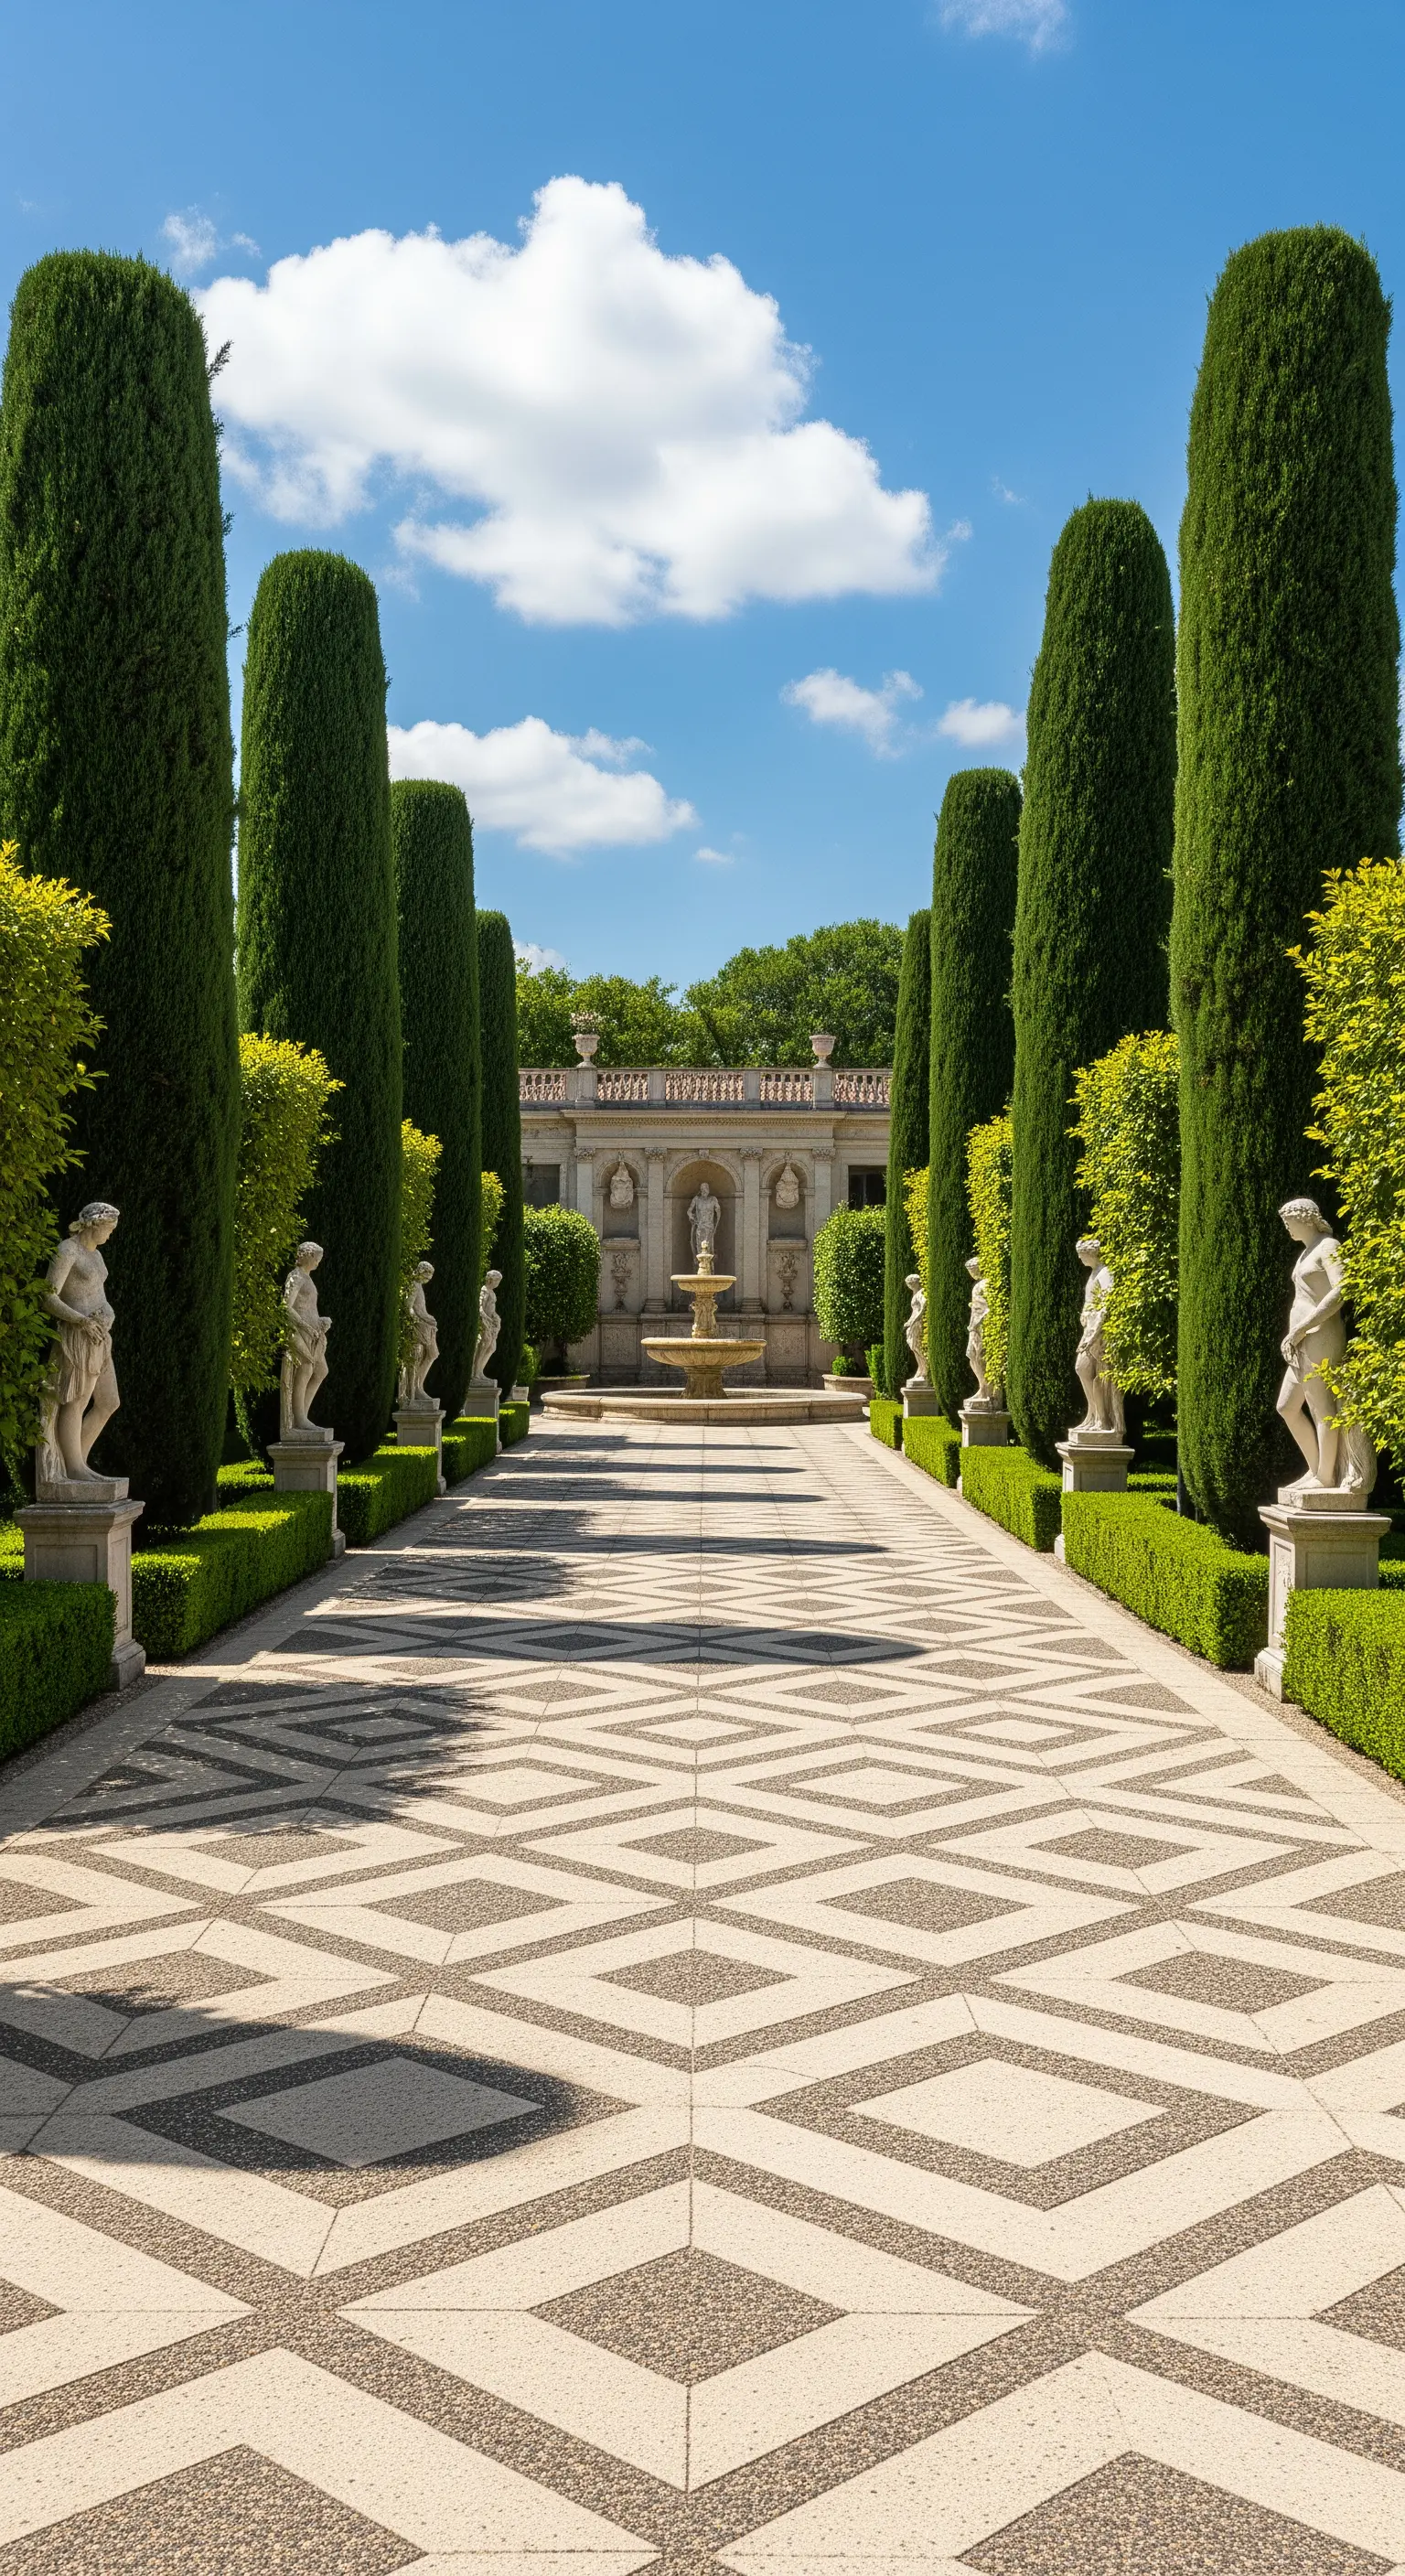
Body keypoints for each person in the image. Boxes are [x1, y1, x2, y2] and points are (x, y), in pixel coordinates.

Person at [1274, 1197, 1375, 1494]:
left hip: (1321, 1334)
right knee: (1287, 1407)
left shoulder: (1329, 1247)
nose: (1287, 1227)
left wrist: (1303, 1327)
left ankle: (1325, 1477)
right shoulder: (1306, 1252)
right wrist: (1294, 1334)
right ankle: (1317, 1469)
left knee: (1321, 1408)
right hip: (1302, 1339)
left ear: (1305, 1218)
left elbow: (1341, 1290)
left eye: (1289, 1221)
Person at [37, 1201, 122, 1484]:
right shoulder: (67, 1250)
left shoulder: (96, 1256)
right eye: (108, 1229)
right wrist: (81, 1320)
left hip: (100, 1337)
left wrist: (107, 1313)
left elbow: (99, 1294)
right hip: (78, 1335)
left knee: (109, 1402)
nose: (110, 1235)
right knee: (75, 1401)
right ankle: (74, 1469)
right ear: (94, 1226)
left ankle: (78, 1463)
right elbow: (48, 1297)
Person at [280, 1242, 331, 1437]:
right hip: (300, 1330)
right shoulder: (296, 1276)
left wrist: (321, 1321)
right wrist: (303, 1325)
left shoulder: (306, 1278)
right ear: (307, 1256)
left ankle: (302, 1418)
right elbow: (286, 1306)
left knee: (321, 1370)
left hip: (313, 1332)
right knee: (307, 1367)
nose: (318, 1262)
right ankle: (299, 1420)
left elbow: (308, 1306)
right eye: (316, 1258)